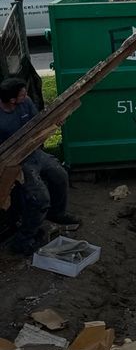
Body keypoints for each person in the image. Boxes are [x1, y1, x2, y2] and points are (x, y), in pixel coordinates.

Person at [0, 76, 81, 254]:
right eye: (22, 94)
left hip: (34, 152)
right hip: (15, 162)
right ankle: (23, 240)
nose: (26, 95)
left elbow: (39, 123)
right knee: (40, 198)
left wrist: (54, 123)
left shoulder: (26, 102)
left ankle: (57, 213)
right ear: (12, 100)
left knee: (60, 175)